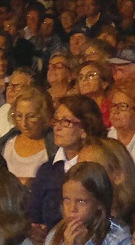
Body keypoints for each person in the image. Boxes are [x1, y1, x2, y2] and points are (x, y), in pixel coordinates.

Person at [26, 94, 106, 234]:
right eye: (56, 120)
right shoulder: (47, 170)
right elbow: (33, 215)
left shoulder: (99, 165)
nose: (57, 127)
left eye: (65, 122)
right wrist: (35, 232)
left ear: (84, 129)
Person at [0, 86, 54, 184]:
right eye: (19, 116)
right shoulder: (5, 143)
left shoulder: (53, 148)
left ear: (44, 115)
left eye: (31, 116)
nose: (24, 123)